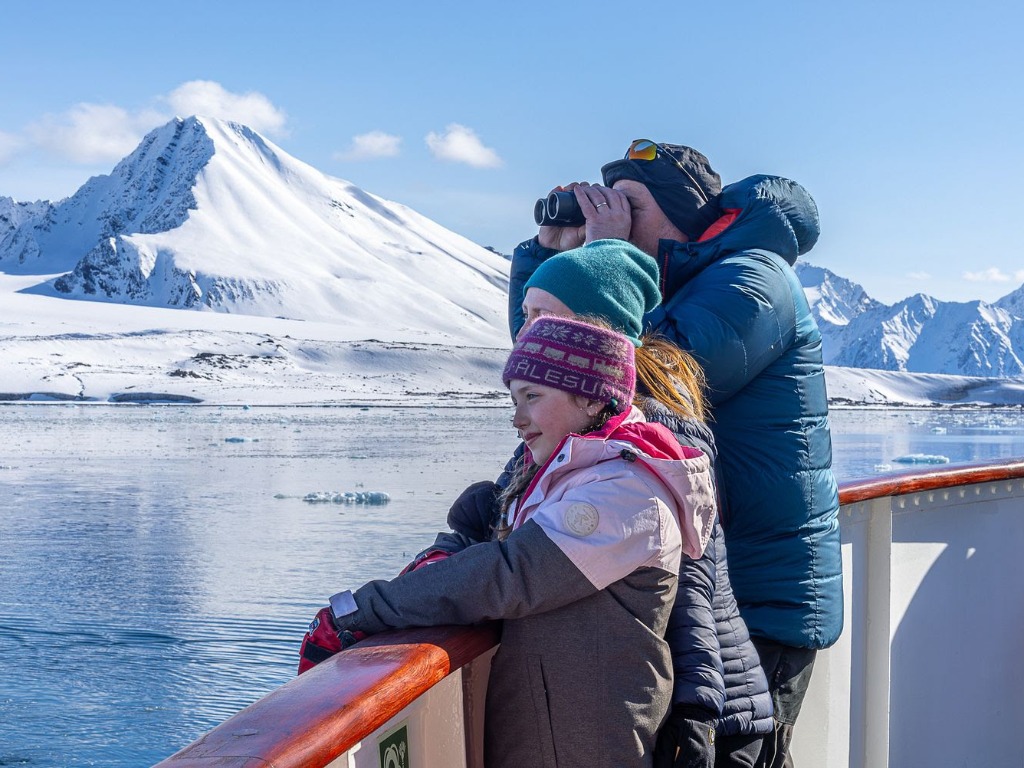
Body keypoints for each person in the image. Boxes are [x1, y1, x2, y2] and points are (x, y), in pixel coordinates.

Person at [508, 140, 844, 768]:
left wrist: (612, 258)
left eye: (628, 204)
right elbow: (551, 369)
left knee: (747, 753)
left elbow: (634, 373)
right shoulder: (676, 283)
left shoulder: (755, 276)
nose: (609, 214)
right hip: (703, 583)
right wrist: (549, 254)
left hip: (760, 592)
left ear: (677, 214)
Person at [310, 315, 718, 768]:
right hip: (559, 738)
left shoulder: (622, 489)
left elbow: (509, 574)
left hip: (592, 747)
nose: (517, 418)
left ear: (588, 396)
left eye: (532, 397)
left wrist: (360, 610)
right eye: (514, 399)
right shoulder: (576, 474)